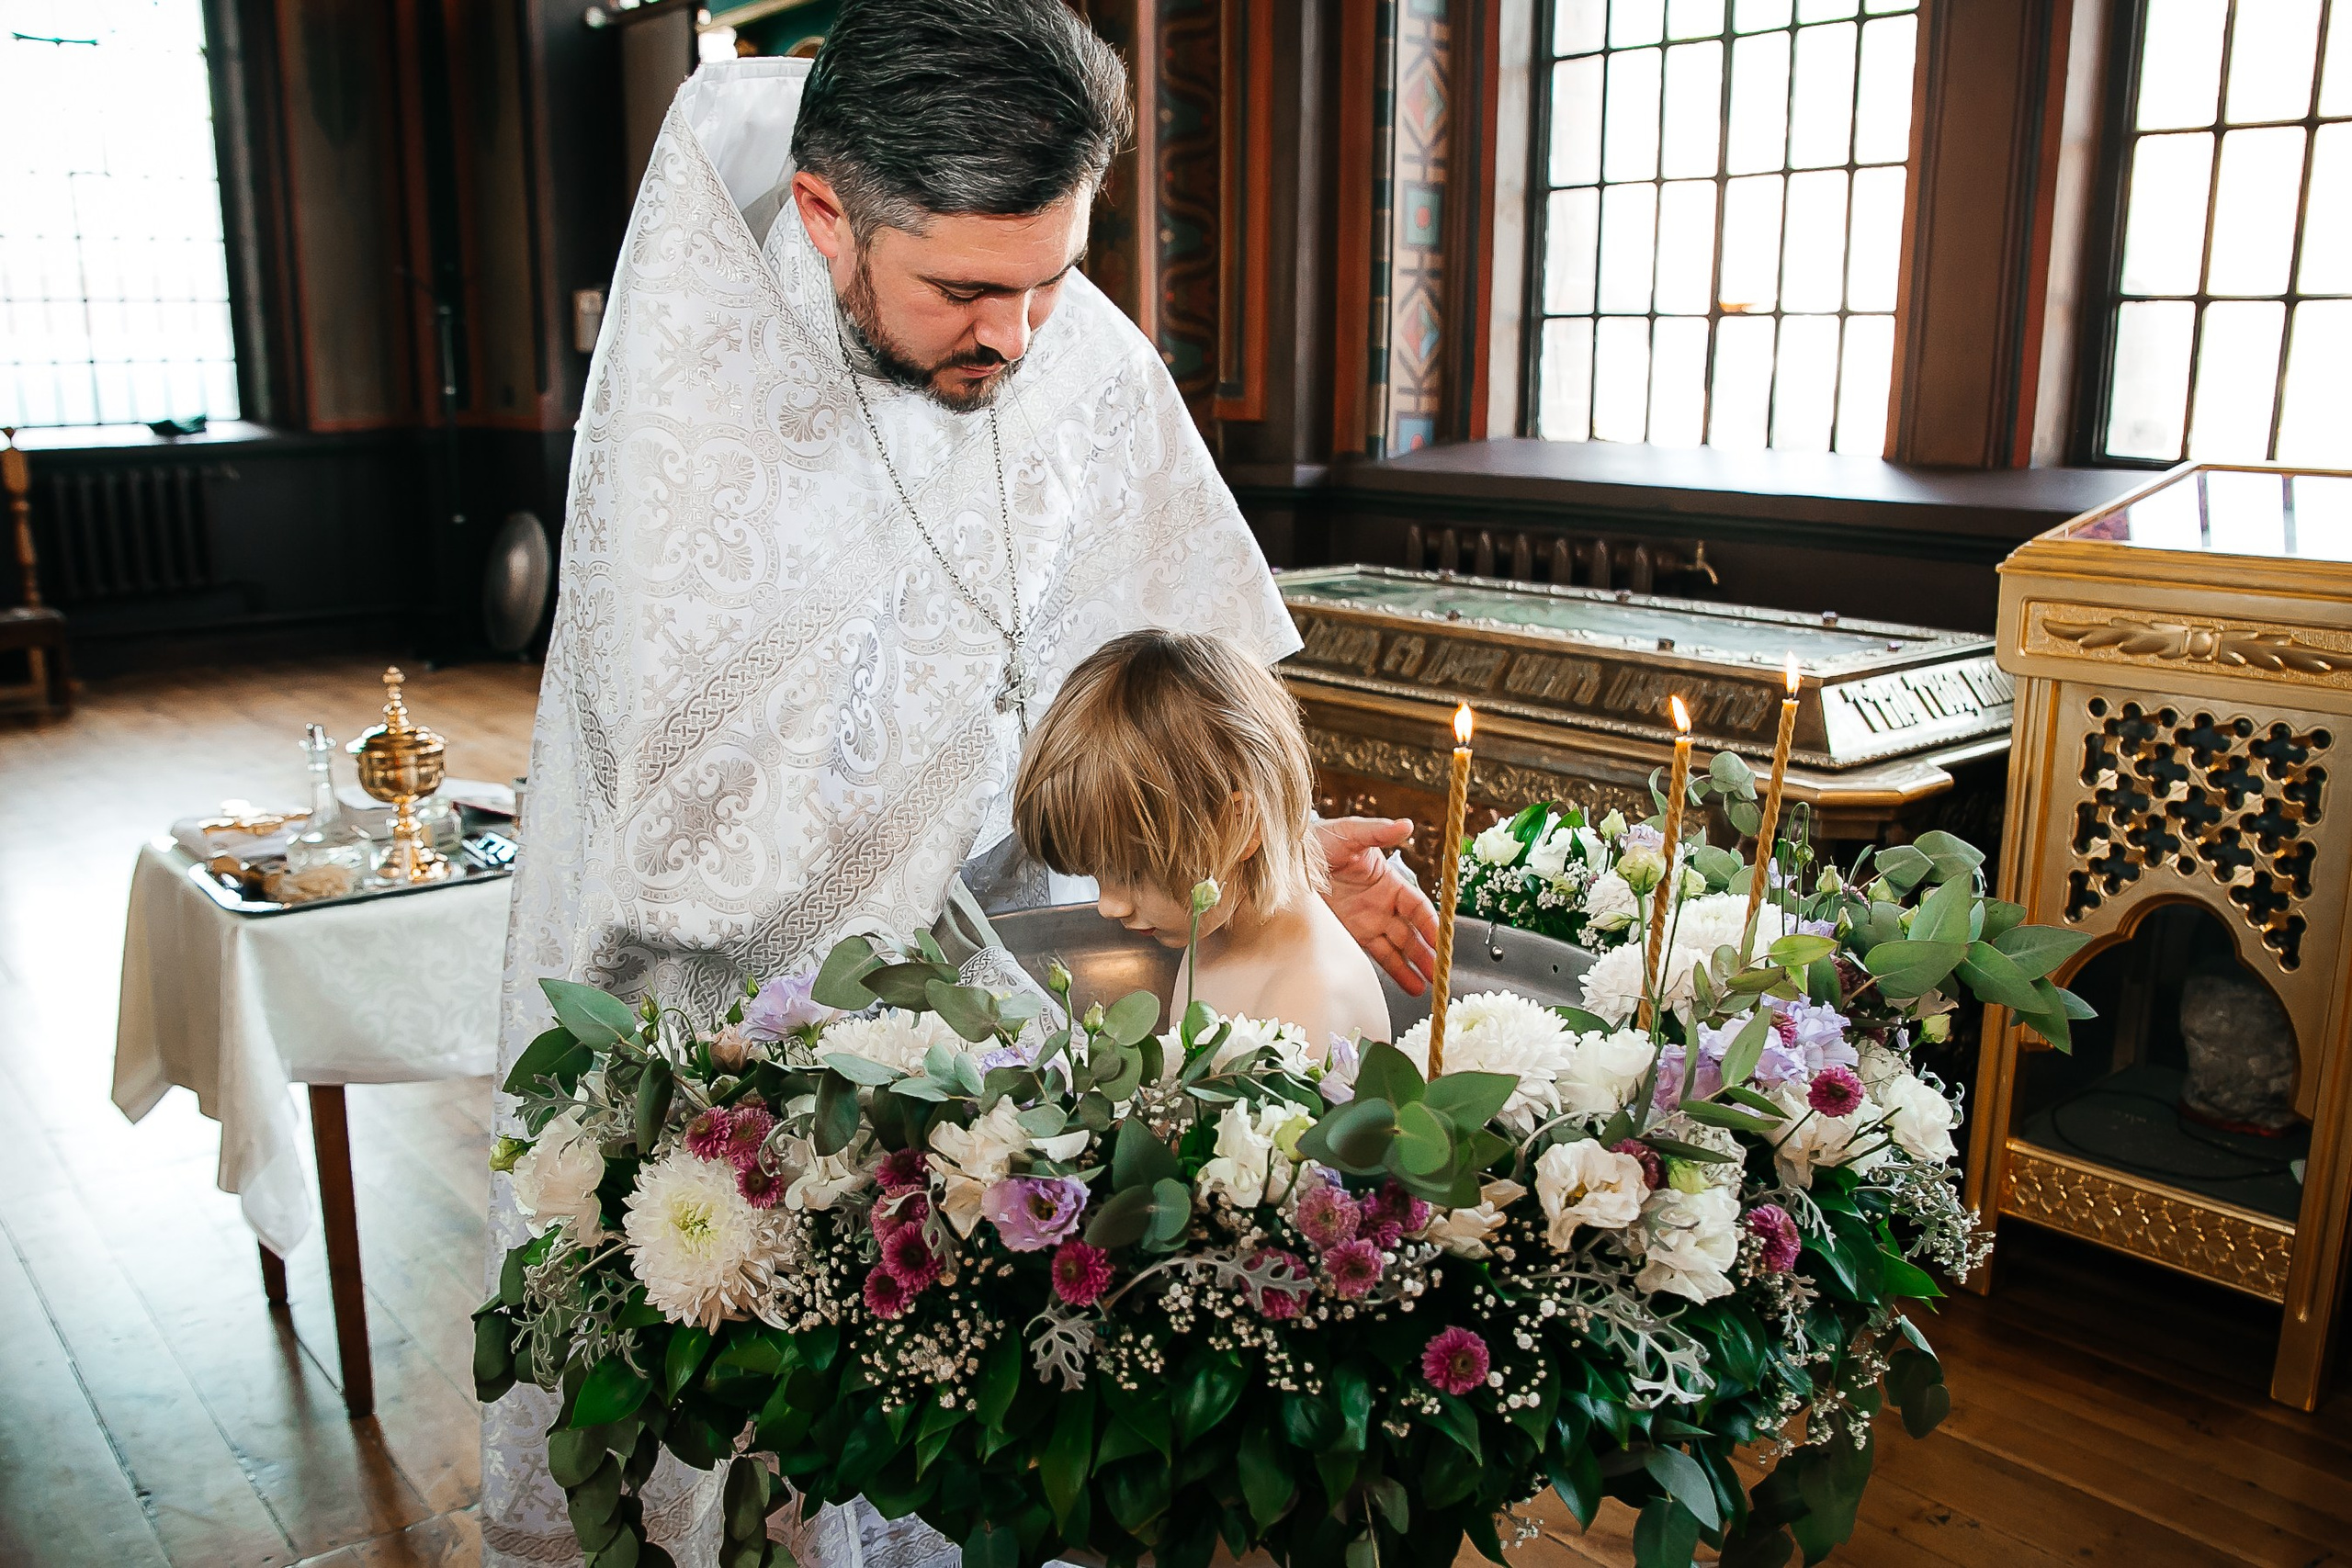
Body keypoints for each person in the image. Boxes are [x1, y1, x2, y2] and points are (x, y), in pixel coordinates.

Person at [485, 5, 1437, 1565]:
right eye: (965, 293)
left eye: (1052, 279)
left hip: (1033, 1045)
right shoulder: (695, 407)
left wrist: (1252, 850)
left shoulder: (1070, 344)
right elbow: (684, 841)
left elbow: (1167, 677)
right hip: (765, 1059)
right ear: (827, 216)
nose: (1018, 334)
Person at [1014, 629, 1392, 1047]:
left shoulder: (1308, 1000)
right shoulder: (1215, 933)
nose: (1108, 905)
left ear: (1240, 827)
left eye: (1133, 873)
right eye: (1096, 873)